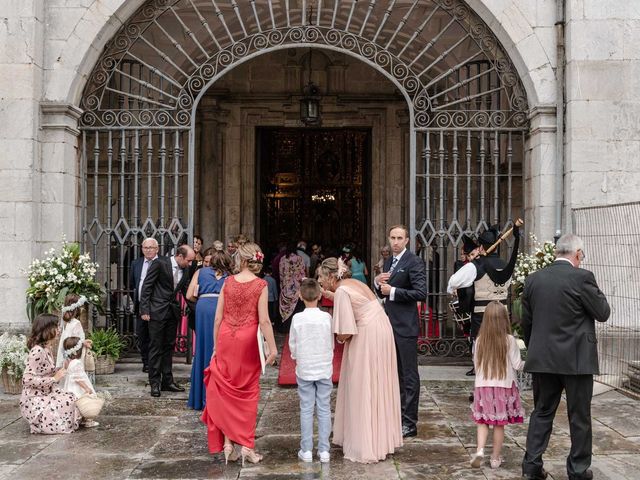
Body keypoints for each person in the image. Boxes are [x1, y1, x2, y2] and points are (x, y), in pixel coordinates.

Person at [521, 234, 610, 480]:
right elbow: (602, 312)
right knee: (579, 416)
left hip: (544, 358)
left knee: (542, 412)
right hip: (577, 360)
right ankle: (578, 470)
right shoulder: (582, 278)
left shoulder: (533, 279)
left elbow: (526, 322)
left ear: (556, 252)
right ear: (578, 253)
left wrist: (535, 348)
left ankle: (531, 466)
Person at [319, 257, 402, 463]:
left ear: (331, 277)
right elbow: (356, 300)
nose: (319, 280)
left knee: (362, 383)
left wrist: (334, 336)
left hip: (367, 335)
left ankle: (365, 444)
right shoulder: (353, 283)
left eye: (321, 277)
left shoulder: (342, 291)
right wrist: (330, 294)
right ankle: (380, 439)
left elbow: (345, 331)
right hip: (381, 328)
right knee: (378, 383)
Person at [201, 242, 278, 465]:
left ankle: (228, 444)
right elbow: (263, 320)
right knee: (247, 394)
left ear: (241, 260)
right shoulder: (260, 285)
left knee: (226, 392)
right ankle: (247, 446)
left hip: (226, 336)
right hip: (247, 341)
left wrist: (216, 345)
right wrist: (273, 348)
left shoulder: (227, 282)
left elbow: (218, 317)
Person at [374, 225, 427, 438]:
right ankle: (397, 415)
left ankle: (410, 423)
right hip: (389, 325)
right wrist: (379, 284)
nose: (395, 242)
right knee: (395, 374)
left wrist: (393, 291)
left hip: (406, 327)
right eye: (393, 237)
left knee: (409, 375)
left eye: (399, 238)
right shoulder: (389, 261)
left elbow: (421, 292)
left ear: (406, 241)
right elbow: (384, 290)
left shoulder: (413, 261)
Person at [447, 223, 520, 376]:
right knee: (501, 352)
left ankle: (483, 386)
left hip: (482, 316)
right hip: (502, 314)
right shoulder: (505, 264)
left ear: (481, 247)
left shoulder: (475, 266)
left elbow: (453, 282)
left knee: (481, 352)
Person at [469, 301, 524, 469]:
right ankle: (495, 458)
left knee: (482, 421)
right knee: (499, 424)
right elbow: (517, 365)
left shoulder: (479, 341)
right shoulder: (509, 340)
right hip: (504, 386)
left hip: (483, 386)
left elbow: (476, 364)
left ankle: (479, 451)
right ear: (503, 319)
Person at [140, 244, 195, 397]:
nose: (190, 264)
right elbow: (147, 286)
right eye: (188, 261)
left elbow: (184, 290)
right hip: (156, 312)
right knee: (156, 347)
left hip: (172, 312)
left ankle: (167, 381)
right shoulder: (160, 263)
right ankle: (155, 383)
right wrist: (144, 309)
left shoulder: (185, 269)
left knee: (169, 347)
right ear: (180, 256)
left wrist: (196, 307)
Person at [289, 278, 333, 464]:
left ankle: (306, 449)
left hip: (305, 367)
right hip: (323, 367)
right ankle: (324, 450)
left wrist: (295, 356)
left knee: (306, 408)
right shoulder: (327, 317)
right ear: (320, 295)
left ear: (300, 296)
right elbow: (330, 341)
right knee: (324, 408)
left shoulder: (297, 318)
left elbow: (293, 343)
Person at [186, 248, 232, 410]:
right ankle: (218, 396)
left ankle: (199, 397)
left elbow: (189, 295)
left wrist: (202, 298)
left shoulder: (200, 272)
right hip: (221, 308)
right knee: (219, 348)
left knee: (202, 348)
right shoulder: (230, 277)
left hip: (203, 308)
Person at [20, 314, 81, 434]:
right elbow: (26, 380)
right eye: (56, 326)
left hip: (46, 393)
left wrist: (61, 368)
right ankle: (42, 421)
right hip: (34, 398)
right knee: (67, 402)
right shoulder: (37, 351)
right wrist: (54, 379)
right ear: (47, 329)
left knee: (73, 397)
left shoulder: (47, 349)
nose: (59, 330)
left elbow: (45, 371)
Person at [129, 237, 159, 372]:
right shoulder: (136, 263)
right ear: (141, 249)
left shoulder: (162, 262)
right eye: (145, 248)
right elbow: (130, 283)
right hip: (141, 305)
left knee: (156, 336)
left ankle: (156, 363)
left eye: (151, 247)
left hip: (158, 306)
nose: (148, 250)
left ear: (157, 249)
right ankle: (146, 362)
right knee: (142, 335)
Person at [59, 336, 100, 427]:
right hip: (78, 386)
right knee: (85, 402)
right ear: (78, 351)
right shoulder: (76, 362)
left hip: (69, 385)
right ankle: (88, 420)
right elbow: (78, 378)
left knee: (75, 405)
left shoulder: (66, 361)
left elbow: (67, 372)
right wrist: (86, 387)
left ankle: (77, 419)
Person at [56, 294, 92, 369]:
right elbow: (74, 341)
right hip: (75, 357)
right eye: (81, 306)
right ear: (76, 308)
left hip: (67, 356)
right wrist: (84, 342)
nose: (82, 309)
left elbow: (67, 339)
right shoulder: (76, 323)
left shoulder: (67, 323)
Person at [278, 242, 306, 328]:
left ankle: (285, 326)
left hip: (286, 286)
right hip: (297, 286)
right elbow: (302, 273)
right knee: (297, 307)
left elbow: (281, 273)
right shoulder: (300, 259)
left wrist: (283, 283)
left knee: (285, 306)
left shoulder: (283, 259)